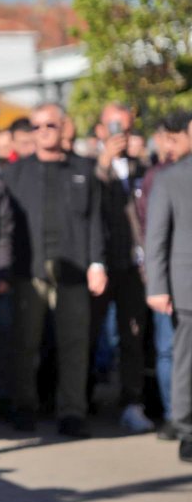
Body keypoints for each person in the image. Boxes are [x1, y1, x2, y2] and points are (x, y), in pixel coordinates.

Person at [4, 102, 106, 438]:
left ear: (64, 128)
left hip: (74, 268)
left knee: (74, 344)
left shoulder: (83, 169)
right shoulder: (15, 172)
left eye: (50, 125)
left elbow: (94, 222)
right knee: (25, 343)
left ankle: (72, 412)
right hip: (28, 269)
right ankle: (24, 407)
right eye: (37, 127)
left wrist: (96, 264)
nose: (43, 132)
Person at [91, 102, 154, 433]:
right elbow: (88, 204)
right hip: (99, 263)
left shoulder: (144, 167)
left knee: (133, 335)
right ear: (101, 131)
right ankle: (82, 399)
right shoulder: (90, 167)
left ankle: (132, 401)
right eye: (114, 128)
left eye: (126, 129)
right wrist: (103, 163)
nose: (121, 136)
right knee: (90, 333)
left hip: (133, 266)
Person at [144, 112, 192, 463]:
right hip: (186, 287)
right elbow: (156, 236)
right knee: (185, 361)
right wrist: (157, 285)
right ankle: (186, 427)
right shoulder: (171, 177)